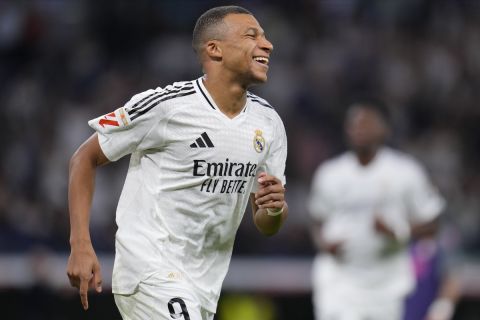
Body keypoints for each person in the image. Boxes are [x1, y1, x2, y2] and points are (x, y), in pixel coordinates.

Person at [66, 5, 288, 320]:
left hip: (204, 284)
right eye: (252, 35)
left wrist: (275, 208)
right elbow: (83, 158)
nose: (267, 44)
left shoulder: (269, 123)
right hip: (150, 269)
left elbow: (266, 222)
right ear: (215, 49)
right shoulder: (167, 106)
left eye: (265, 37)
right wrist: (80, 244)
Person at [308, 100, 445, 320]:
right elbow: (316, 221)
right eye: (354, 123)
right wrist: (323, 243)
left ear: (384, 129)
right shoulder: (329, 173)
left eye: (367, 123)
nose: (359, 128)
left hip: (386, 284)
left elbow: (433, 222)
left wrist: (398, 230)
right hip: (339, 280)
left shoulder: (406, 171)